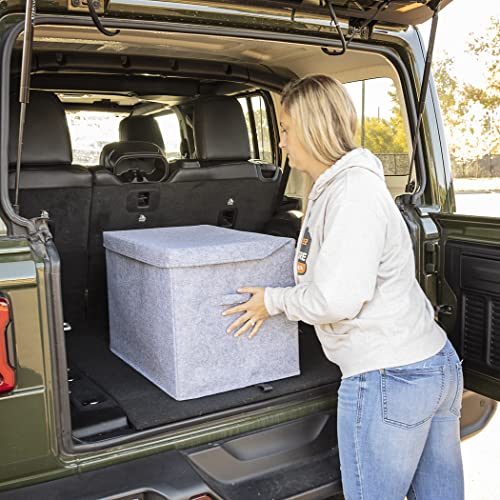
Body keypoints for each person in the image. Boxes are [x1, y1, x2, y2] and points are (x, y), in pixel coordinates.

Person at [222, 74, 464, 500]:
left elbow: (337, 300)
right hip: (427, 364)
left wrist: (272, 302)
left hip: (392, 375)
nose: (281, 142)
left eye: (285, 128)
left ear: (313, 129)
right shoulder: (340, 186)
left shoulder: (353, 194)